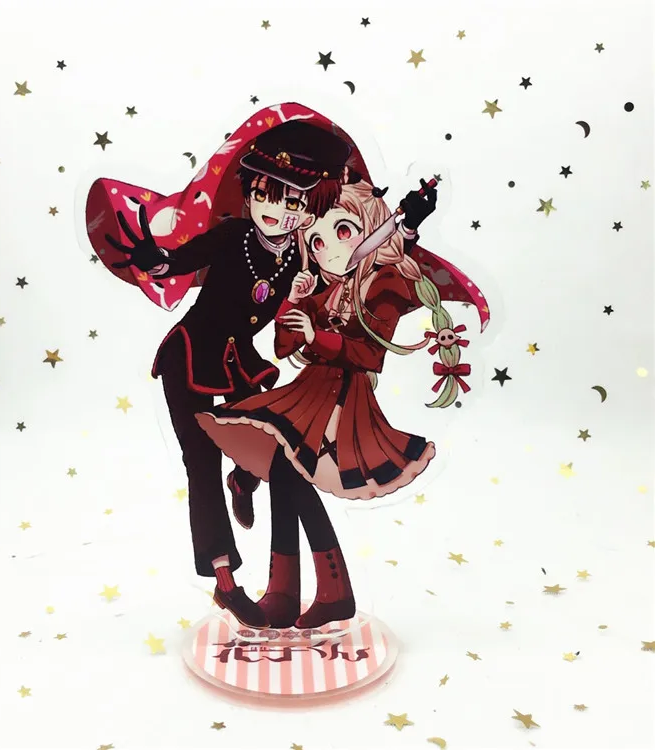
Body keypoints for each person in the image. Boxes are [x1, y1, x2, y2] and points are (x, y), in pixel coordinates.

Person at [99, 116, 369, 628]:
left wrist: (304, 314)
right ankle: (225, 582)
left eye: (293, 202)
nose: (276, 211)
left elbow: (319, 296)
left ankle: (243, 479)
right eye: (266, 194)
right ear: (249, 190)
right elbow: (181, 260)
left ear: (310, 209)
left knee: (272, 443)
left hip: (240, 361)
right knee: (200, 463)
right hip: (190, 358)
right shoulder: (234, 235)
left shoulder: (298, 257)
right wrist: (157, 262)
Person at [196, 176, 489, 628]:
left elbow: (371, 355)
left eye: (343, 231)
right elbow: (283, 346)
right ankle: (291, 593)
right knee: (286, 476)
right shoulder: (326, 290)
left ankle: (322, 591)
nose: (328, 248)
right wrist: (294, 303)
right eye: (315, 241)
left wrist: (319, 337)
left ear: (371, 229)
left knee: (290, 476)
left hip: (344, 400)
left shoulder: (386, 284)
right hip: (310, 394)